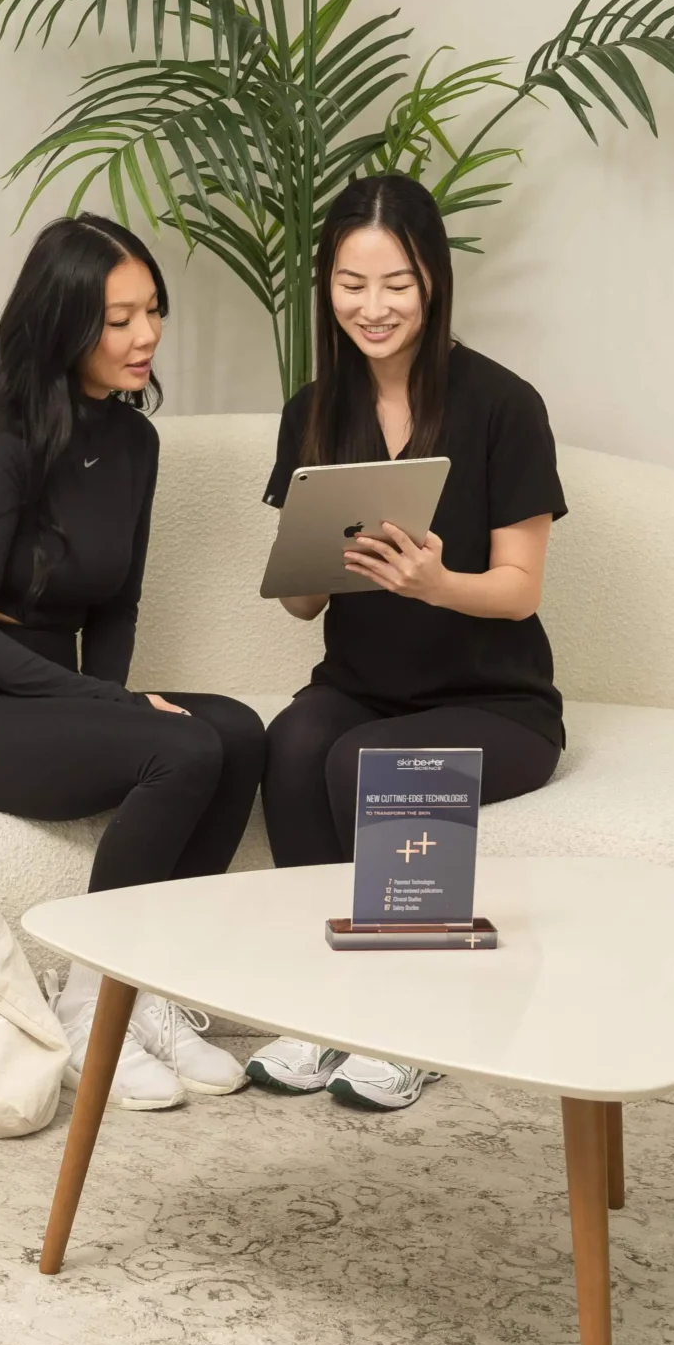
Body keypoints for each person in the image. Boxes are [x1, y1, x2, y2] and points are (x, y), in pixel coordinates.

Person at [0, 214, 266, 1111]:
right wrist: (119, 712)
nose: (146, 336)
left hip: (45, 692)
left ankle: (153, 989)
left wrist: (109, 702)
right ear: (63, 325)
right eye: (118, 319)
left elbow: (115, 604)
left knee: (239, 732)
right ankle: (93, 999)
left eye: (153, 311)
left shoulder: (134, 445)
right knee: (180, 745)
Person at [249, 172, 566, 1114]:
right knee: (294, 743)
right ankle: (323, 1004)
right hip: (360, 683)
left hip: (495, 701)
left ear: (433, 281)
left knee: (366, 763)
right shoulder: (313, 409)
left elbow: (518, 589)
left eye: (397, 284)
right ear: (326, 286)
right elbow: (302, 605)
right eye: (351, 284)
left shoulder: (503, 404)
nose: (373, 307)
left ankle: (414, 1022)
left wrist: (437, 583)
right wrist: (307, 560)